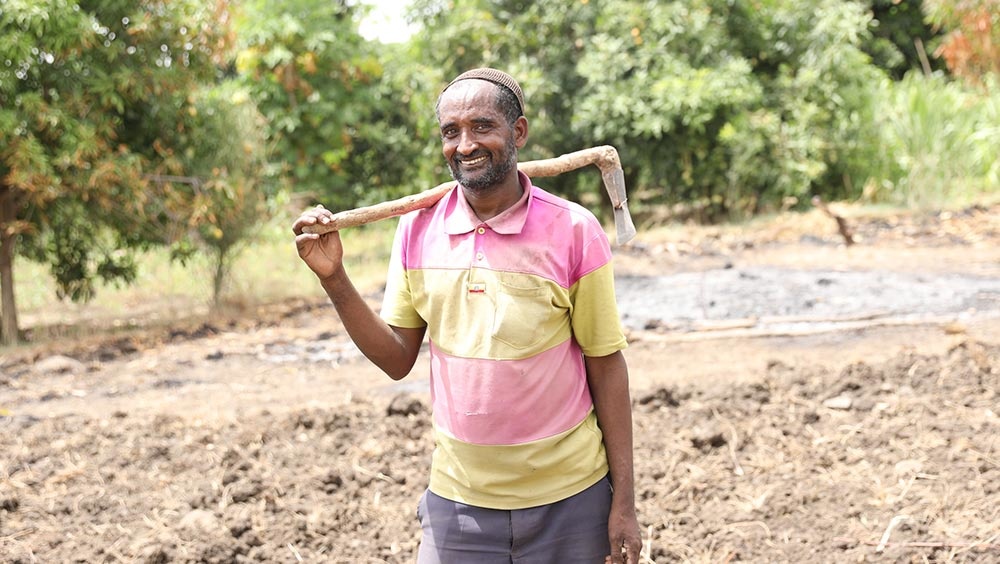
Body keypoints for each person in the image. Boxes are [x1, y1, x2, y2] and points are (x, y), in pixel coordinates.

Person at [293, 68, 641, 564]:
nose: (465, 144)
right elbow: (396, 360)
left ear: (517, 133)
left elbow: (606, 365)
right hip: (459, 505)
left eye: (482, 127)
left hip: (571, 500)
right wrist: (334, 278)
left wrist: (623, 503)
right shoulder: (417, 229)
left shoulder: (574, 230)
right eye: (451, 132)